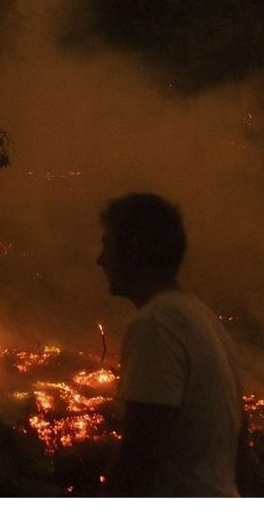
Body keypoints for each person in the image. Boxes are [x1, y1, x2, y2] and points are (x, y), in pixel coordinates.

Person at [97, 193, 244, 496]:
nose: (99, 259)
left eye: (108, 245)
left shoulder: (156, 323)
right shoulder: (204, 318)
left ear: (133, 252)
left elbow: (139, 456)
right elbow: (242, 445)